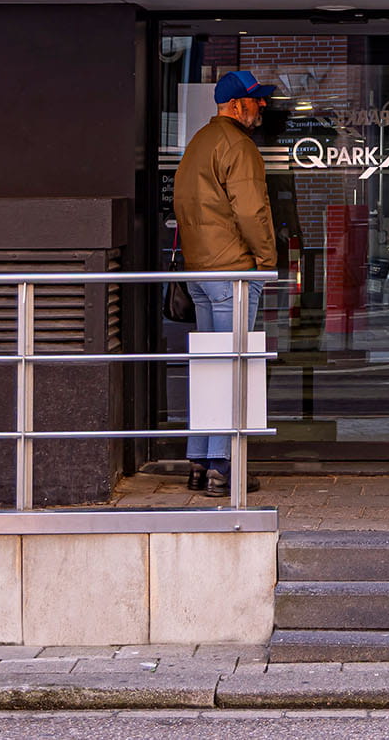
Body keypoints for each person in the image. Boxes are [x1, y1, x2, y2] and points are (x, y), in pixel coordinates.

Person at [171, 69, 278, 498]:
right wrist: (267, 260)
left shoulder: (198, 142)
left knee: (211, 368)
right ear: (236, 105)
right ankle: (222, 467)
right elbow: (252, 212)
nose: (262, 106)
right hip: (232, 271)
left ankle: (198, 461)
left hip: (199, 270)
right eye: (256, 100)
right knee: (233, 369)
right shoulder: (240, 146)